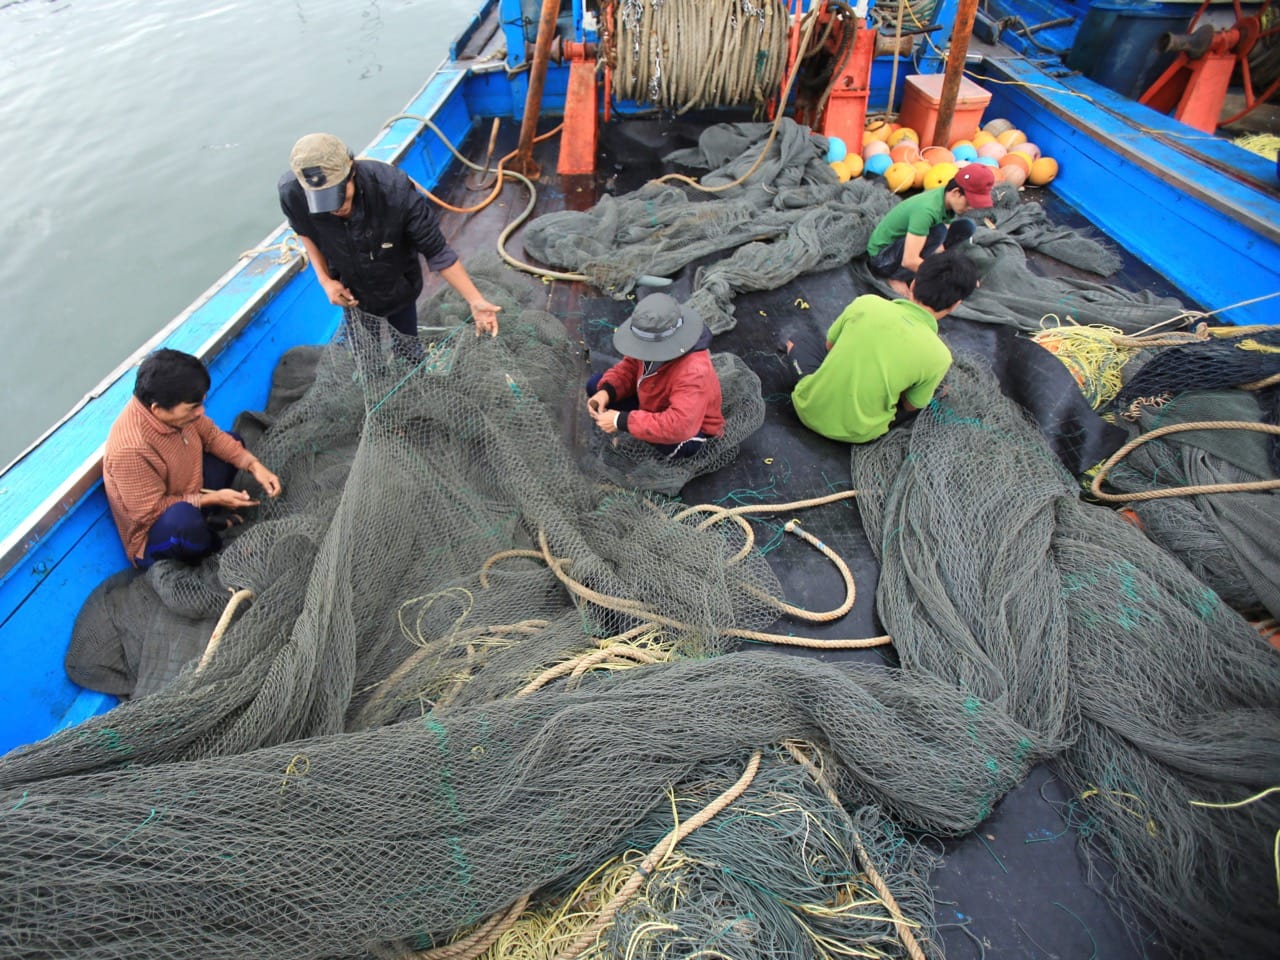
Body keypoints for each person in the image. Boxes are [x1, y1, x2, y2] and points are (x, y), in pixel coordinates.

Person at [278, 132, 501, 341]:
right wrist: (326, 281)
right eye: (324, 201)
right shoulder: (293, 193)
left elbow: (437, 251)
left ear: (351, 170)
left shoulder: (394, 189)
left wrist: (475, 300)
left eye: (340, 196)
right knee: (366, 356)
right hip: (351, 291)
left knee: (408, 345)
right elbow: (304, 231)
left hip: (397, 283)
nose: (335, 208)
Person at [102, 349, 282, 569]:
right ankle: (217, 548)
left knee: (233, 441)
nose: (201, 412)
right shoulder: (129, 450)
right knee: (183, 520)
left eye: (202, 403)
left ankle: (208, 521)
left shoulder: (182, 410)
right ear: (157, 410)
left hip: (189, 492)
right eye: (194, 407)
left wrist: (254, 466)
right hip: (158, 534)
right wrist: (214, 499)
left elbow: (213, 437)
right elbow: (151, 512)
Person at [784, 250, 980, 444]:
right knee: (933, 393)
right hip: (860, 434)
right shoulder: (940, 357)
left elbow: (830, 347)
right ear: (955, 305)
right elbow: (911, 406)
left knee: (799, 341)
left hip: (807, 408)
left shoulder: (866, 304)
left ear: (913, 283)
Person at [587, 293, 724, 458]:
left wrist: (621, 421)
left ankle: (642, 429)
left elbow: (680, 426)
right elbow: (629, 368)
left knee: (680, 446)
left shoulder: (694, 370)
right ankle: (641, 424)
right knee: (595, 386)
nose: (642, 349)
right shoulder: (645, 343)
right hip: (652, 400)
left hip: (690, 429)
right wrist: (606, 392)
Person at [866, 162, 994, 296]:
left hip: (911, 242)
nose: (971, 208)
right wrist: (951, 278)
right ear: (956, 193)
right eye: (970, 202)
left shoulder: (947, 201)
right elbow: (909, 260)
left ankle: (923, 263)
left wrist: (948, 264)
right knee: (939, 232)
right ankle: (898, 276)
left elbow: (940, 246)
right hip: (883, 258)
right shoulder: (926, 210)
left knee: (967, 226)